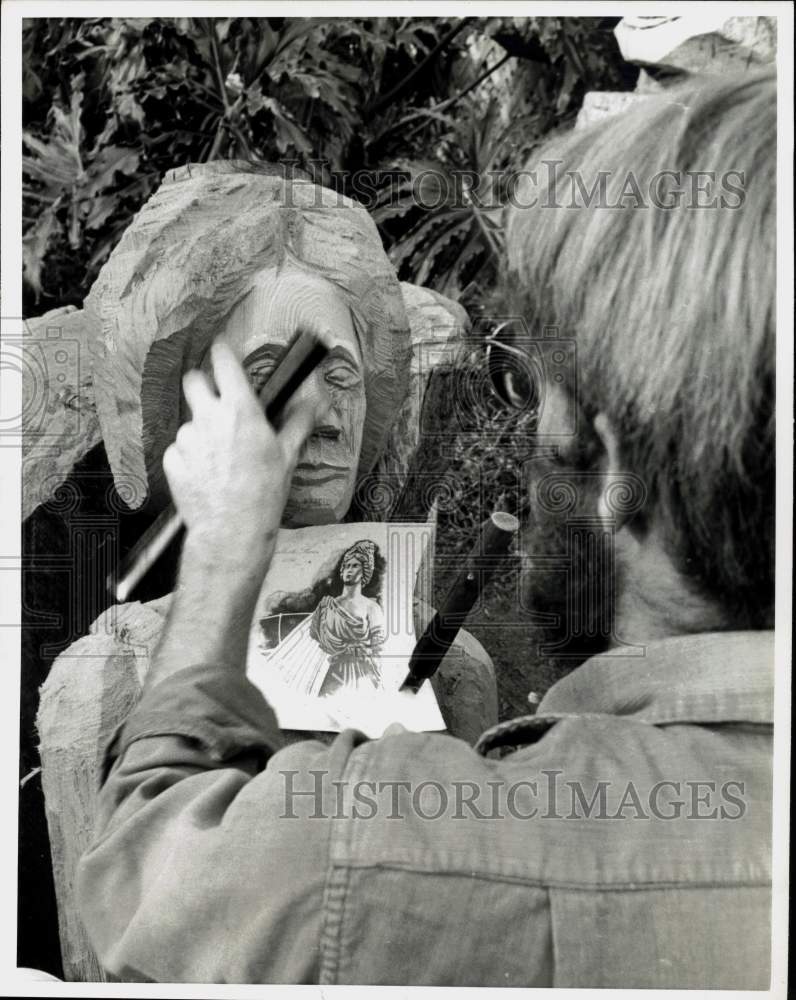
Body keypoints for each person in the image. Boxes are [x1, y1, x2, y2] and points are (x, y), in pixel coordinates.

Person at [76, 71, 776, 987]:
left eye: (344, 376)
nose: (323, 420)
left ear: (618, 471)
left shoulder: (427, 850)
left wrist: (216, 554)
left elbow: (150, 892)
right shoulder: (113, 665)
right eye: (277, 376)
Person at [311, 541, 386, 697]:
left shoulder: (371, 607)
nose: (348, 570)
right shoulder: (327, 605)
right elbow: (316, 642)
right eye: (346, 566)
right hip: (331, 671)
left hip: (362, 671)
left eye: (354, 566)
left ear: (365, 571)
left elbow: (378, 648)